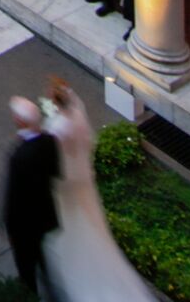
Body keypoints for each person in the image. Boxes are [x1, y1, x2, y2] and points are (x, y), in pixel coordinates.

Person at [40, 76, 154, 300]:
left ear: (54, 101)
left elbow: (53, 157)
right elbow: (89, 143)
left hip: (67, 184)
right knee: (91, 223)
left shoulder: (57, 128)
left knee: (74, 226)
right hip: (82, 179)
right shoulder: (77, 112)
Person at [0, 96, 63, 294]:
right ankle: (51, 288)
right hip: (44, 215)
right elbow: (56, 172)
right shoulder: (50, 141)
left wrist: (8, 226)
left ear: (20, 122)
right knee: (40, 254)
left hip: (24, 226)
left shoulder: (19, 156)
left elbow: (13, 197)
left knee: (26, 268)